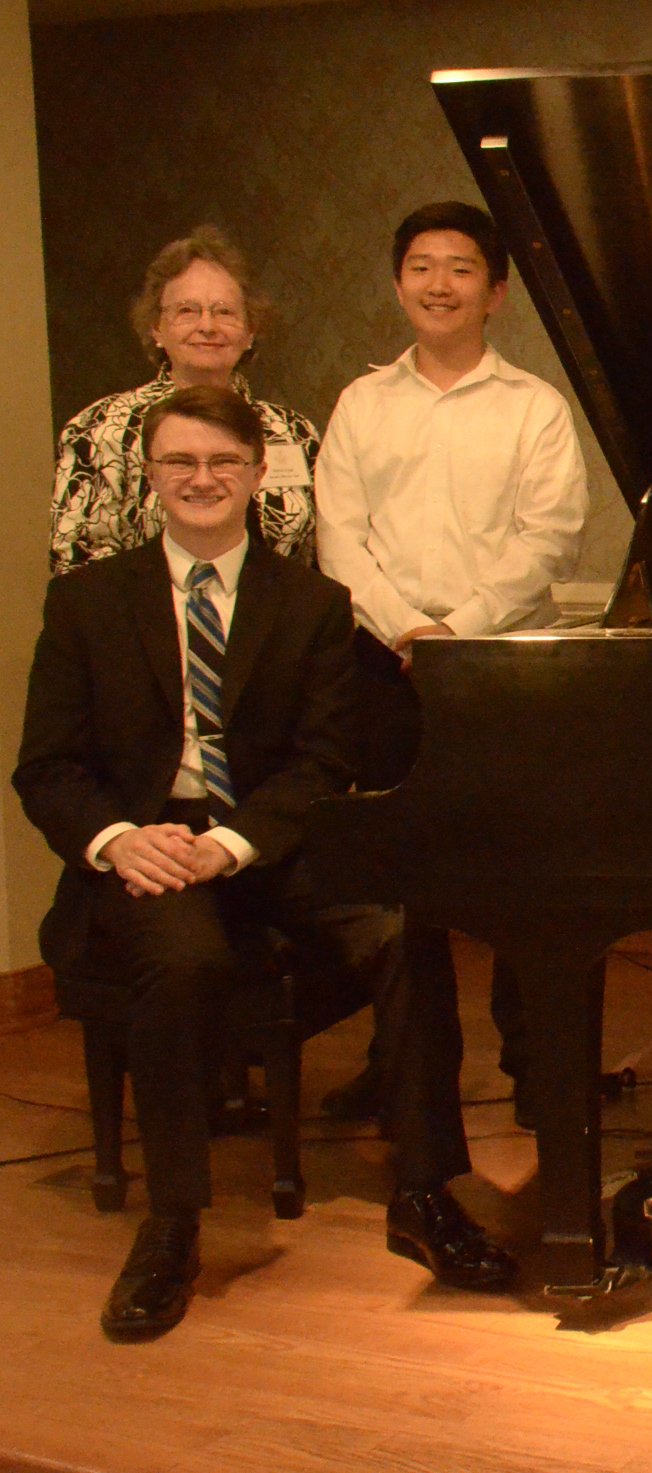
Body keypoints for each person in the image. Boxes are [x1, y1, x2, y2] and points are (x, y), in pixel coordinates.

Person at [13, 387, 517, 1340]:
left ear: (254, 476)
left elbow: (322, 761)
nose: (200, 480)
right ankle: (173, 1223)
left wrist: (232, 841)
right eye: (179, 463)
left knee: (405, 930)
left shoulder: (313, 606)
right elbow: (46, 767)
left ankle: (425, 1193)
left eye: (221, 463)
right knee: (186, 959)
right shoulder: (85, 603)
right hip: (148, 850)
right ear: (150, 476)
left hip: (268, 839)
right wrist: (124, 839)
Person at [312, 201, 587, 1126]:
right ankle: (405, 1066)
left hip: (506, 670)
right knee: (400, 879)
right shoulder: (359, 404)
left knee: (522, 870)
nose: (439, 283)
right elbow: (339, 537)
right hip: (384, 671)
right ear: (399, 285)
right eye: (422, 267)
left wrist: (458, 628)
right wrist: (405, 630)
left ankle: (535, 1058)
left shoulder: (535, 409)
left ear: (495, 292)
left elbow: (548, 539)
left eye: (461, 268)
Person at [51, 226, 319, 574]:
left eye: (224, 312)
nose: (207, 326)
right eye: (187, 311)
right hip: (144, 623)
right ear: (156, 328)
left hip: (280, 624)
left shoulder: (294, 432)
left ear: (250, 331)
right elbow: (76, 567)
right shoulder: (100, 429)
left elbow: (316, 560)